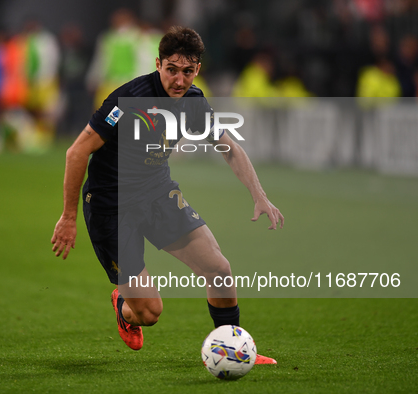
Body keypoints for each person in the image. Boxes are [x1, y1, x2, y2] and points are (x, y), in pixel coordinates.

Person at [51, 26, 283, 364]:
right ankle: (123, 305)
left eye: (187, 71)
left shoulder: (193, 102)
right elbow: (76, 153)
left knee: (219, 269)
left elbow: (229, 148)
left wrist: (259, 195)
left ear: (197, 70)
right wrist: (68, 217)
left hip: (158, 193)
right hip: (111, 206)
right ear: (158, 64)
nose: (179, 79)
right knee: (149, 313)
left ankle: (234, 348)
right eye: (171, 69)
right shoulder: (128, 100)